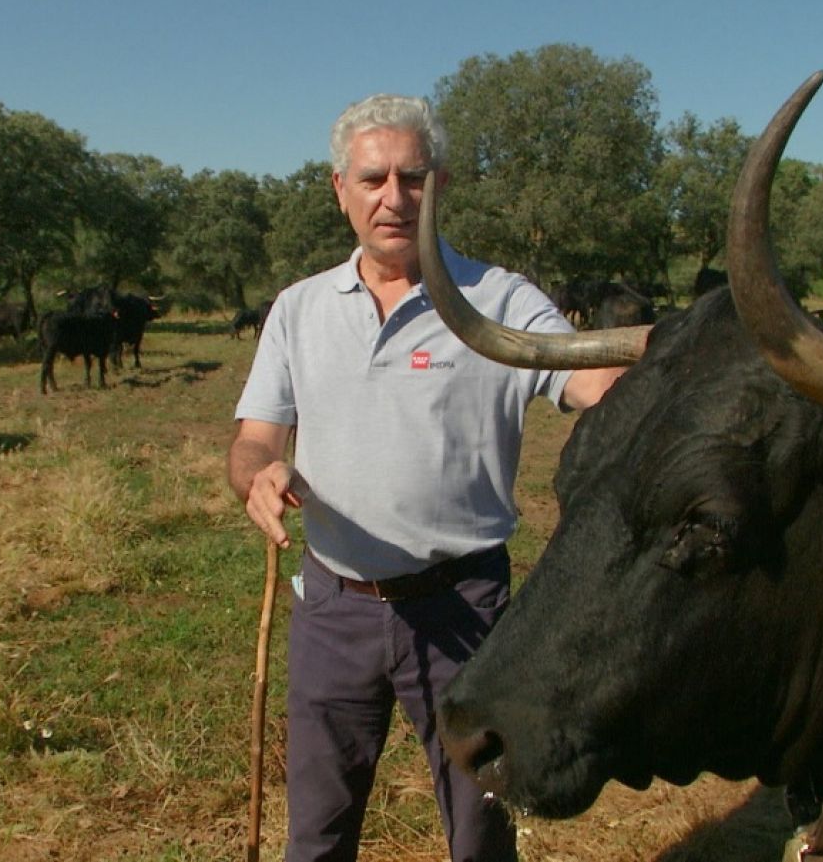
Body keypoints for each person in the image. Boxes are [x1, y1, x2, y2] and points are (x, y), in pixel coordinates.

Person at [227, 93, 623, 862]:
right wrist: (258, 476)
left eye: (413, 178)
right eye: (373, 179)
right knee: (315, 834)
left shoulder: (500, 300)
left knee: (481, 834)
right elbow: (253, 438)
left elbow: (595, 385)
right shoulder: (299, 309)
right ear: (339, 187)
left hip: (465, 610)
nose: (394, 198)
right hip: (334, 607)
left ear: (440, 185)